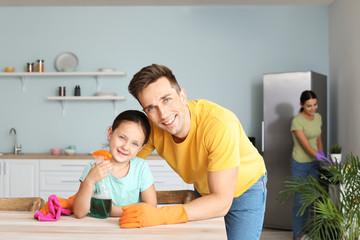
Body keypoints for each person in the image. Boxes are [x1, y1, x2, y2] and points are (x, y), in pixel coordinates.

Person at [120, 64, 267, 240]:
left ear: (182, 96)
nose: (163, 114)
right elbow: (123, 165)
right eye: (151, 108)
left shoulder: (219, 124)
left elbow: (221, 202)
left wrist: (161, 215)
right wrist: (87, 189)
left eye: (166, 99)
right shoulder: (153, 129)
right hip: (205, 190)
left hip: (245, 188)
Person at [73, 110, 157, 218]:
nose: (125, 147)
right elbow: (79, 213)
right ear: (110, 133)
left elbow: (151, 206)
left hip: (133, 229)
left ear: (141, 148)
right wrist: (89, 181)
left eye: (135, 144)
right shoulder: (94, 167)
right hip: (101, 230)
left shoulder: (141, 167)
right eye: (122, 137)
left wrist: (113, 211)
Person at [290, 90, 329, 240]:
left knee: (312, 199)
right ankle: (297, 236)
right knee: (300, 201)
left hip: (314, 164)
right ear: (301, 105)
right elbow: (306, 146)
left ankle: (305, 233)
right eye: (309, 106)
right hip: (299, 164)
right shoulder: (297, 121)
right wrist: (322, 159)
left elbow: (318, 139)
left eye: (315, 105)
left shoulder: (318, 117)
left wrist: (322, 155)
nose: (313, 109)